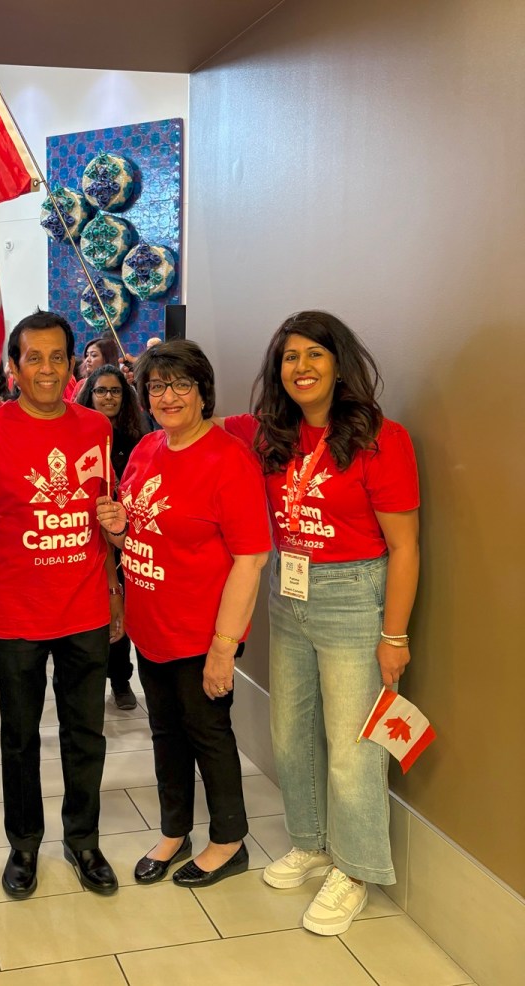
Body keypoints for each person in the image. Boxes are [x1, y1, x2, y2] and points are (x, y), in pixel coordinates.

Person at [223, 310, 420, 936]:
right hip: (290, 588)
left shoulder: (381, 439)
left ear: (339, 363)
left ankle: (356, 869)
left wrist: (394, 635)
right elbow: (194, 429)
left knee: (354, 746)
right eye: (289, 358)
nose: (301, 368)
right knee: (292, 730)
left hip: (354, 597)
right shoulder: (268, 436)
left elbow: (406, 548)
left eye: (314, 354)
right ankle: (310, 841)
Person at [0, 310, 124, 900]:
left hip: (85, 606)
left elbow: (104, 510)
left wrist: (116, 583)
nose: (45, 369)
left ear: (73, 364)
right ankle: (23, 843)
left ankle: (83, 839)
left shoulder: (96, 425)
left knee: (84, 733)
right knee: (19, 737)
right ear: (13, 367)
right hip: (16, 611)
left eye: (56, 357)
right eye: (32, 358)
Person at [96, 339, 269, 889]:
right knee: (165, 732)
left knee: (208, 734)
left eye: (180, 385)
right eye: (156, 386)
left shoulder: (228, 460)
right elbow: (136, 538)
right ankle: (175, 830)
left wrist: (225, 646)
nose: (166, 396)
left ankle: (229, 840)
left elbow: (251, 558)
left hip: (201, 632)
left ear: (202, 392)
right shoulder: (148, 448)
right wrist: (119, 530)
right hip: (152, 628)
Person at [76, 363, 147, 709]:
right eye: (101, 390)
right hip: (83, 536)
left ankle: (121, 681)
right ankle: (88, 682)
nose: (108, 397)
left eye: (115, 390)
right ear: (89, 395)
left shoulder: (139, 437)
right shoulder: (77, 434)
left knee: (121, 607)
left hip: (124, 537)